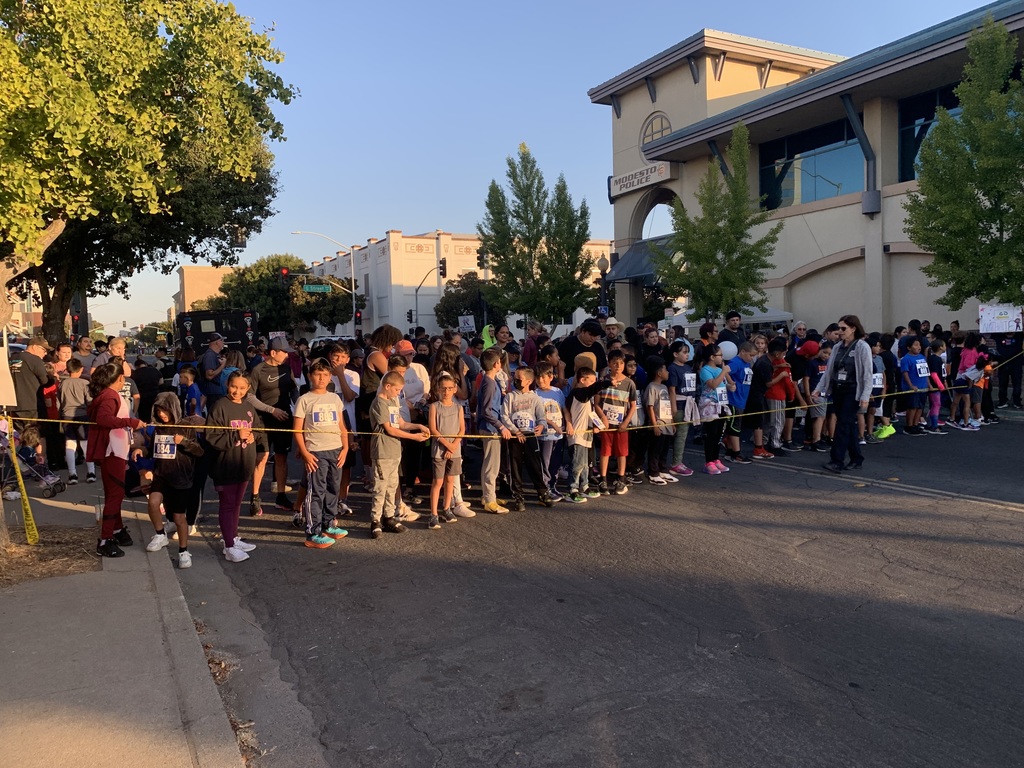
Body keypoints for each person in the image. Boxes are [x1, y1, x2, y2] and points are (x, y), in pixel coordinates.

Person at [87, 363, 147, 558]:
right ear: (120, 378)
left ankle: (116, 530)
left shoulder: (107, 395)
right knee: (115, 495)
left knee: (115, 493)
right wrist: (130, 422)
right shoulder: (110, 396)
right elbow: (104, 419)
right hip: (113, 452)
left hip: (115, 451)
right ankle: (104, 540)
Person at [205, 370, 265, 563]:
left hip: (244, 462)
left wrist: (255, 436)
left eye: (241, 388)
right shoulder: (219, 406)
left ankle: (233, 536)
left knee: (237, 504)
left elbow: (258, 427)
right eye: (233, 387)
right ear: (227, 385)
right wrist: (236, 435)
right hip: (226, 464)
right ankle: (229, 545)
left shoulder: (248, 407)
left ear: (248, 388)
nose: (237, 391)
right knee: (228, 505)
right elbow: (211, 437)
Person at [142, 392, 205, 568]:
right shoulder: (157, 428)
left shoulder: (186, 426)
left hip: (181, 478)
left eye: (166, 411)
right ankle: (160, 535)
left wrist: (184, 442)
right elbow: (152, 448)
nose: (162, 415)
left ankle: (184, 551)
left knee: (179, 518)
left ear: (174, 409)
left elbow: (199, 451)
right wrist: (141, 452)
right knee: (153, 503)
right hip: (161, 475)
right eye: (159, 411)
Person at [293, 358, 350, 549]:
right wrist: (305, 453)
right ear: (310, 376)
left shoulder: (334, 398)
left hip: (336, 450)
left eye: (325, 375)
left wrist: (346, 448)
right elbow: (298, 430)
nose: (322, 378)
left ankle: (328, 523)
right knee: (316, 491)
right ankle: (313, 531)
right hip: (316, 452)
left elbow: (342, 426)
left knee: (333, 487)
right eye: (317, 374)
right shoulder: (304, 400)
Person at [369, 371, 429, 538]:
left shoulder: (393, 401)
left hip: (395, 451)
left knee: (392, 486)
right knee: (380, 487)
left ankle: (389, 517)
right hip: (382, 451)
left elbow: (400, 423)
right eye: (397, 390)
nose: (398, 394)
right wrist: (413, 437)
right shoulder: (380, 402)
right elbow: (389, 428)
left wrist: (418, 427)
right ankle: (375, 520)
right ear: (387, 386)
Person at [813, 315, 872, 472]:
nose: (840, 331)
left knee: (842, 425)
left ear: (853, 328)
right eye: (839, 328)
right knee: (848, 424)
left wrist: (865, 396)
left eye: (843, 328)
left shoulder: (862, 346)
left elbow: (867, 373)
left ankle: (836, 460)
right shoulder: (838, 347)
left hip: (853, 390)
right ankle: (856, 458)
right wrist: (819, 388)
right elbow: (829, 371)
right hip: (838, 389)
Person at [248, 337, 298, 515]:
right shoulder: (258, 370)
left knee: (282, 458)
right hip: (264, 420)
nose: (287, 355)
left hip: (284, 418)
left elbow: (293, 390)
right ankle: (255, 497)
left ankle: (281, 496)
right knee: (262, 457)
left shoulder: (286, 368)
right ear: (273, 352)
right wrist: (271, 410)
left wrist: (299, 404)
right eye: (284, 351)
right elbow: (250, 396)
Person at [500, 367, 553, 511]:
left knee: (535, 464)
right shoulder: (510, 397)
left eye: (519, 378)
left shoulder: (534, 398)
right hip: (515, 436)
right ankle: (518, 496)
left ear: (529, 381)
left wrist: (541, 426)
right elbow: (504, 416)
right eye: (515, 377)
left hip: (530, 436)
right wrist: (515, 431)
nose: (515, 380)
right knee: (515, 466)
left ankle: (542, 492)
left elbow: (541, 417)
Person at [563, 367, 609, 503]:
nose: (594, 384)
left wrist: (597, 425)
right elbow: (592, 390)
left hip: (586, 435)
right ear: (582, 380)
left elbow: (590, 414)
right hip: (577, 435)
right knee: (577, 463)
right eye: (592, 380)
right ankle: (572, 490)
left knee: (585, 464)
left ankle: (584, 486)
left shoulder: (586, 397)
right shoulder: (579, 393)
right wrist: (606, 383)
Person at [595, 349, 635, 495]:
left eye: (621, 363)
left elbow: (633, 406)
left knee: (621, 453)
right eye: (615, 363)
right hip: (606, 426)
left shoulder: (629, 383)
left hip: (621, 426)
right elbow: (596, 403)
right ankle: (603, 479)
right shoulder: (602, 382)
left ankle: (621, 478)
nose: (618, 366)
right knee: (605, 452)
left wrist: (625, 423)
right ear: (609, 364)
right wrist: (603, 418)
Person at [427, 371, 464, 529]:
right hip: (439, 450)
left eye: (450, 388)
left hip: (455, 450)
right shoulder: (434, 407)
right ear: (438, 389)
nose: (446, 391)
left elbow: (462, 429)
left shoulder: (458, 407)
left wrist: (454, 445)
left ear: (455, 389)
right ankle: (433, 514)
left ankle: (447, 508)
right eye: (443, 388)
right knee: (438, 481)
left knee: (450, 480)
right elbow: (433, 429)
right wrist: (447, 445)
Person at [477, 348, 510, 514]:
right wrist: (501, 426)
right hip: (490, 428)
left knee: (489, 464)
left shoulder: (489, 381)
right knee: (492, 465)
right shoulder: (489, 383)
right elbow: (488, 411)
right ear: (497, 364)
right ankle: (489, 499)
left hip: (489, 427)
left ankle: (488, 495)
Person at [10, 336, 52, 464]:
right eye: (44, 350)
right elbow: (45, 381)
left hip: (14, 404)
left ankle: (21, 465)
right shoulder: (34, 360)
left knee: (21, 435)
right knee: (37, 436)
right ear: (34, 347)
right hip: (32, 403)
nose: (45, 354)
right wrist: (53, 378)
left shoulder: (12, 358)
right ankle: (39, 466)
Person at [534, 361, 568, 501]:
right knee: (545, 463)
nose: (541, 380)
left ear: (551, 377)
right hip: (544, 435)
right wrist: (553, 424)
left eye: (543, 377)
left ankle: (553, 486)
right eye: (538, 377)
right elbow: (538, 415)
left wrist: (569, 424)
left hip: (558, 435)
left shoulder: (557, 392)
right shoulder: (535, 394)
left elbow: (564, 409)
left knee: (555, 462)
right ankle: (545, 488)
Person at [58, 357, 95, 484]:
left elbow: (59, 402)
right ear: (81, 369)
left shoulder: (63, 384)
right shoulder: (84, 383)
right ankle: (91, 472)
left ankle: (72, 474)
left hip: (67, 416)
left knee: (70, 444)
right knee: (85, 443)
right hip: (83, 415)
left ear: (68, 370)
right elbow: (90, 401)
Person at [698, 345, 734, 475]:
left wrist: (729, 386)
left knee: (720, 433)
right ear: (712, 357)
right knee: (711, 434)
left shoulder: (720, 369)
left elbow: (726, 383)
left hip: (721, 403)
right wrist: (723, 372)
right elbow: (713, 384)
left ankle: (716, 458)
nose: (722, 358)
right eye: (720, 355)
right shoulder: (705, 370)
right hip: (710, 405)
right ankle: (709, 461)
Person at [643, 358, 678, 484]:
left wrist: (672, 422)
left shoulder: (663, 386)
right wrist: (654, 425)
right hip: (658, 423)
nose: (667, 372)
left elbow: (667, 405)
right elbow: (650, 406)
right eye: (665, 370)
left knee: (664, 448)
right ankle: (653, 472)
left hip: (667, 423)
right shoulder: (652, 387)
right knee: (655, 449)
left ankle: (663, 469)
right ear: (659, 372)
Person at [665, 340, 697, 475]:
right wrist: (673, 409)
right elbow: (672, 390)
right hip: (679, 404)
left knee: (682, 435)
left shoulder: (687, 368)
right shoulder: (672, 368)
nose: (687, 355)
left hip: (688, 403)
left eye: (688, 352)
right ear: (675, 354)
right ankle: (675, 463)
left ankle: (679, 461)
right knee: (679, 435)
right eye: (684, 352)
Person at [723, 342, 756, 464]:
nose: (751, 358)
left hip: (742, 398)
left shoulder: (746, 362)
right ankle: (736, 453)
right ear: (742, 352)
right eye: (750, 355)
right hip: (734, 399)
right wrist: (731, 382)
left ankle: (730, 451)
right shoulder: (736, 362)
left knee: (737, 426)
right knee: (735, 427)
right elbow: (725, 371)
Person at [900, 336, 929, 437]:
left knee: (920, 407)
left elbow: (926, 373)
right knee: (912, 407)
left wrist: (928, 384)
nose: (919, 347)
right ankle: (909, 426)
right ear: (909, 347)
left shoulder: (922, 357)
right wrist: (911, 385)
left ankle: (916, 425)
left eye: (919, 345)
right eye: (916, 345)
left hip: (923, 387)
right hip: (912, 388)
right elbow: (905, 373)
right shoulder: (906, 359)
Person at [198, 333, 228, 410]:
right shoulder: (210, 355)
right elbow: (209, 375)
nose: (223, 343)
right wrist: (223, 365)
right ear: (217, 342)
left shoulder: (214, 354)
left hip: (217, 391)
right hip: (214, 393)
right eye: (222, 340)